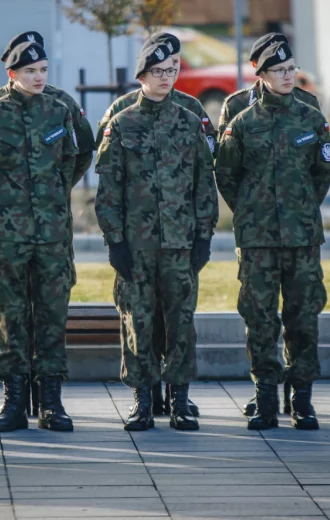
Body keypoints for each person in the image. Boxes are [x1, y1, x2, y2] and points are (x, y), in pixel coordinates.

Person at [0, 30, 94, 417]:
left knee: (52, 313)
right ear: (11, 72)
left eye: (43, 69)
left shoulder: (61, 106)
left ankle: (51, 400)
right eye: (30, 70)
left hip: (52, 231)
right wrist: (7, 201)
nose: (39, 77)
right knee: (8, 313)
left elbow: (79, 154)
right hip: (6, 232)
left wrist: (53, 192)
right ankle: (14, 398)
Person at [95, 42, 217, 431]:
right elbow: (109, 191)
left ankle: (180, 400)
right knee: (138, 322)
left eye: (172, 70)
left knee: (181, 322)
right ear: (142, 76)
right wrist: (115, 241)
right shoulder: (122, 123)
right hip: (137, 243)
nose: (166, 77)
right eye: (158, 71)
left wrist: (203, 236)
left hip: (180, 243)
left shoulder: (189, 121)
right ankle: (142, 401)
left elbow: (203, 185)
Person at [215, 42, 330, 431]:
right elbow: (227, 175)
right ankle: (265, 396)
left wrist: (299, 207)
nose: (288, 75)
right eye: (279, 70)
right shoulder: (243, 121)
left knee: (304, 317)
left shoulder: (311, 117)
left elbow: (322, 173)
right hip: (258, 239)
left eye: (291, 69)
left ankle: (302, 398)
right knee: (260, 319)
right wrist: (252, 210)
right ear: (261, 75)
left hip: (302, 237)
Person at [217, 32, 322, 141]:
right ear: (259, 67)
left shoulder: (307, 101)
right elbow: (226, 151)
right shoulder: (236, 104)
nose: (286, 75)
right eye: (278, 69)